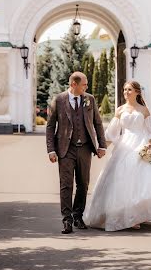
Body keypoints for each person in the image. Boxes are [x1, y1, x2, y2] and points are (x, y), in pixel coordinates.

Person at [84, 80, 151, 231]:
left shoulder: (144, 110)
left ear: (137, 92)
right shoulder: (120, 110)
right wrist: (102, 149)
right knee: (120, 179)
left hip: (140, 145)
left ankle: (136, 215)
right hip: (124, 145)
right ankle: (125, 215)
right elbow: (112, 133)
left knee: (141, 181)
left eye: (129, 90)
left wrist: (149, 146)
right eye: (124, 90)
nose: (126, 92)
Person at [46, 71, 107, 234]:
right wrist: (51, 149)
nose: (86, 87)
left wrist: (102, 145)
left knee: (83, 184)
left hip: (86, 148)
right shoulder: (58, 100)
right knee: (66, 185)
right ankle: (67, 220)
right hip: (65, 149)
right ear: (74, 84)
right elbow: (50, 126)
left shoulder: (89, 99)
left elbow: (98, 123)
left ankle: (78, 216)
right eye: (84, 84)